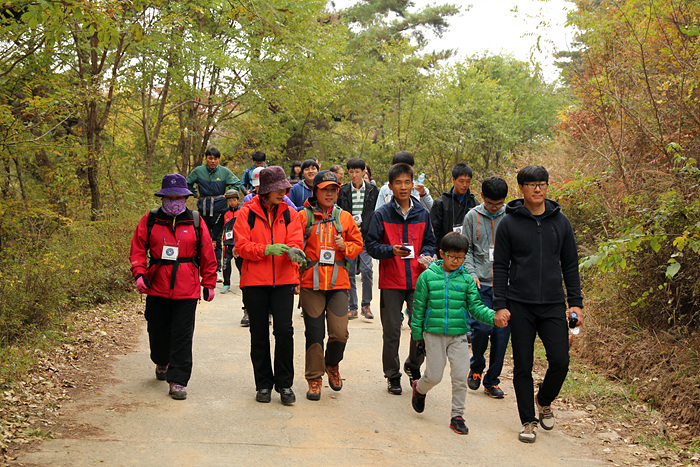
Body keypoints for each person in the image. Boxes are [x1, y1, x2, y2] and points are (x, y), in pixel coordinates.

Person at [492, 165, 584, 443]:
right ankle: (528, 421)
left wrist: (576, 303)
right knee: (523, 364)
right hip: (519, 304)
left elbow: (570, 265)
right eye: (531, 184)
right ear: (521, 188)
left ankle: (544, 398)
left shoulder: (561, 222)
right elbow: (500, 266)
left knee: (560, 360)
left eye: (542, 184)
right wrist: (499, 304)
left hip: (553, 304)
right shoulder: (509, 223)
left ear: (547, 186)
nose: (537, 189)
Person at [410, 232, 509, 434]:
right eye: (451, 256)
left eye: (460, 257)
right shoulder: (427, 277)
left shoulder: (467, 280)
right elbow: (418, 308)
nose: (456, 261)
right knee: (434, 376)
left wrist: (493, 317)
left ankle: (457, 415)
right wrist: (418, 335)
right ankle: (419, 389)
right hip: (433, 334)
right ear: (441, 254)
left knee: (459, 376)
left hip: (458, 335)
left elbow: (476, 307)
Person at [129, 174, 217, 400]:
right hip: (156, 285)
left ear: (186, 198)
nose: (174, 201)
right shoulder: (150, 219)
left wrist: (209, 283)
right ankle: (161, 360)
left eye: (179, 197)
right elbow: (138, 248)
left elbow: (207, 253)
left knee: (182, 335)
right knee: (157, 330)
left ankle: (178, 380)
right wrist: (139, 273)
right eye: (170, 196)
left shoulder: (196, 221)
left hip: (186, 289)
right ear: (162, 197)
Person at [233, 166, 306, 406]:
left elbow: (295, 239)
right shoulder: (246, 214)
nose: (284, 191)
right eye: (279, 188)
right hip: (254, 281)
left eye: (285, 188)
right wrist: (265, 250)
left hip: (283, 281)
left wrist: (294, 254)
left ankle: (285, 384)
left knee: (284, 332)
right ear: (266, 190)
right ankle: (263, 384)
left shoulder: (290, 213)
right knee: (259, 334)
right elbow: (241, 246)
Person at [366, 163, 436, 396]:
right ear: (390, 186)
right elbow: (372, 246)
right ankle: (392, 375)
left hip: (418, 280)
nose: (403, 187)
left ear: (412, 184)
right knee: (392, 331)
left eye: (407, 182)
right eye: (398, 183)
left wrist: (427, 255)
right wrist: (390, 251)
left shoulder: (422, 213)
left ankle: (413, 365)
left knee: (421, 328)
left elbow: (430, 242)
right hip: (391, 280)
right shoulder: (381, 214)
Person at [298, 171, 363, 400]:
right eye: (324, 189)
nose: (329, 193)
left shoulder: (344, 217)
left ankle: (332, 364)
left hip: (338, 282)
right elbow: (295, 248)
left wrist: (344, 246)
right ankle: (314, 378)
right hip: (310, 283)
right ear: (315, 191)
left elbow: (358, 245)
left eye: (333, 189)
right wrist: (295, 279)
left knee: (339, 333)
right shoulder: (303, 217)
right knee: (314, 333)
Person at [462, 177, 510, 398]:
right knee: (481, 329)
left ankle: (492, 380)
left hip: (505, 286)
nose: (495, 208)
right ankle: (476, 367)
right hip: (480, 284)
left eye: (499, 204)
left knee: (501, 334)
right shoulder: (472, 216)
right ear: (482, 197)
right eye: (491, 203)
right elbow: (467, 249)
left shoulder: (510, 216)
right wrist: (471, 274)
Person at [186, 147, 241, 275]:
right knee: (201, 237)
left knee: (217, 238)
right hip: (203, 208)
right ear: (206, 158)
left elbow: (236, 183)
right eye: (210, 158)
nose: (213, 161)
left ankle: (217, 268)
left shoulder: (224, 172)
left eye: (215, 158)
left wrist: (227, 195)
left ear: (218, 159)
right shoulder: (199, 171)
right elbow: (188, 183)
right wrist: (195, 194)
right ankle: (200, 265)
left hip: (220, 208)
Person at [337, 157, 378, 320]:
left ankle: (366, 305)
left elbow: (375, 212)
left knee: (367, 270)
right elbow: (340, 212)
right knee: (350, 271)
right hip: (349, 237)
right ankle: (352, 306)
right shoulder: (344, 190)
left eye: (357, 172)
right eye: (351, 172)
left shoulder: (373, 191)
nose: (354, 175)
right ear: (348, 172)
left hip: (366, 237)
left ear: (363, 172)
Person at [430, 163, 477, 250]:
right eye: (461, 181)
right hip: (445, 251)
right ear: (453, 179)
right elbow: (435, 233)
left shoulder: (474, 204)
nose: (465, 185)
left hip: (466, 252)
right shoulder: (440, 203)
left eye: (468, 181)